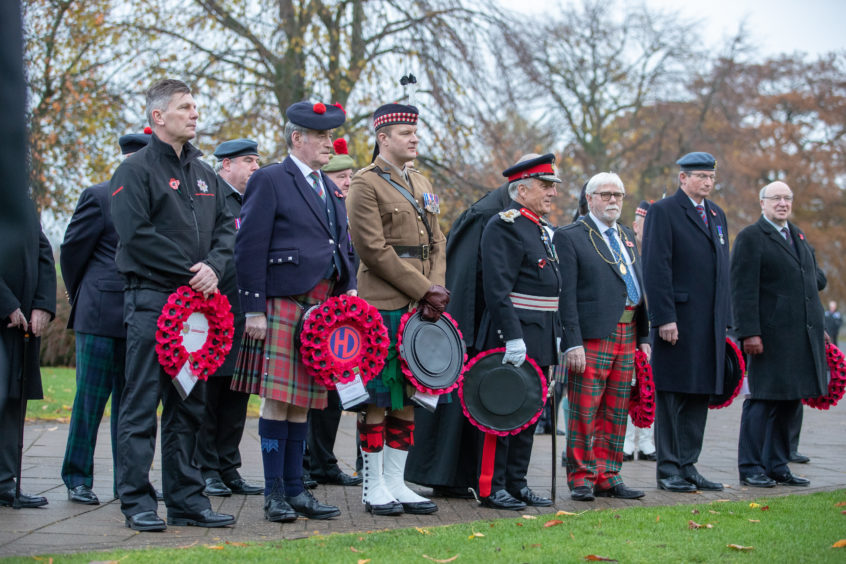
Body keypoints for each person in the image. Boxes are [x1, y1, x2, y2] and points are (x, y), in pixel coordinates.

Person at [110, 79, 236, 531]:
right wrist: (192, 270)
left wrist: (215, 269)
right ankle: (138, 501)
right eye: (185, 107)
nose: (194, 113)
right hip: (152, 301)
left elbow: (227, 228)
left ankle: (187, 500)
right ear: (158, 117)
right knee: (142, 403)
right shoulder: (135, 170)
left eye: (195, 106)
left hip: (200, 308)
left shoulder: (205, 174)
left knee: (190, 404)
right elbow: (136, 235)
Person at [232, 101, 354, 523]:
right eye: (320, 136)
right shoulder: (270, 179)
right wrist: (253, 310)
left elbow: (342, 246)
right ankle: (274, 494)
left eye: (330, 136)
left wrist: (349, 289)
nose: (329, 143)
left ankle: (298, 491)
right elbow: (248, 247)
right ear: (296, 138)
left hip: (319, 310)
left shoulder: (331, 189)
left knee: (302, 403)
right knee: (277, 403)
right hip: (280, 305)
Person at [346, 103, 446, 516]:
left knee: (408, 395)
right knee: (378, 396)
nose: (414, 138)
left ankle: (396, 482)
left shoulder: (421, 180)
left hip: (419, 306)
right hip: (384, 303)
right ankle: (373, 487)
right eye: (405, 132)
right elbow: (373, 249)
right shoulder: (364, 183)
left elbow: (437, 241)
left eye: (415, 132)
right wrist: (425, 288)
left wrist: (436, 286)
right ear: (383, 138)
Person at [59, 130, 150, 505]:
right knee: (89, 403)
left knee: (131, 407)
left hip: (138, 317)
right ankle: (77, 477)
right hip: (98, 317)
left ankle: (125, 483)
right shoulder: (99, 195)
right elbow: (72, 250)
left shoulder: (154, 200)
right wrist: (80, 292)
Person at [404, 180, 511, 499]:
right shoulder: (484, 214)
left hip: (494, 326)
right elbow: (462, 275)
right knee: (451, 412)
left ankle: (461, 475)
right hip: (470, 327)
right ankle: (443, 474)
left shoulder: (513, 214)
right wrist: (461, 332)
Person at [474, 153, 562, 511]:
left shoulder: (538, 227)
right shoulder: (505, 224)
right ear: (521, 189)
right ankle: (490, 486)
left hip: (540, 334)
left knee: (527, 412)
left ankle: (517, 482)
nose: (552, 193)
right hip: (513, 334)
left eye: (552, 186)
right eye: (545, 186)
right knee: (501, 410)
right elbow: (498, 289)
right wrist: (512, 335)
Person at [553, 172, 649, 502]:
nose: (612, 201)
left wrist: (644, 336)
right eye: (605, 194)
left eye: (618, 195)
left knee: (617, 408)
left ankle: (609, 474)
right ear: (590, 198)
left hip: (628, 330)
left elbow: (637, 283)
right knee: (584, 409)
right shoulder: (571, 235)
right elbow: (565, 296)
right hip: (592, 335)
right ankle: (581, 477)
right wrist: (572, 342)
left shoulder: (625, 235)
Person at [641, 151, 730, 493]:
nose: (707, 182)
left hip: (708, 324)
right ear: (683, 178)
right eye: (700, 176)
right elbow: (656, 267)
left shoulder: (717, 214)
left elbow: (723, 270)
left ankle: (689, 464)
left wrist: (726, 321)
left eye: (711, 177)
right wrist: (664, 317)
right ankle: (669, 469)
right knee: (673, 396)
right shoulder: (663, 211)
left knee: (699, 394)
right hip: (676, 321)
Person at [732, 181, 826, 488]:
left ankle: (777, 464)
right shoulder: (751, 237)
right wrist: (749, 333)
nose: (782, 203)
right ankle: (751, 467)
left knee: (790, 402)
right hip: (767, 338)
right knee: (762, 401)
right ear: (762, 203)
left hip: (800, 338)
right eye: (776, 198)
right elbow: (742, 289)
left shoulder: (797, 235)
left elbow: (813, 281)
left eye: (787, 198)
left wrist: (819, 329)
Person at [194, 139, 263, 498]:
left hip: (244, 312)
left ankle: (228, 466)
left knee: (238, 393)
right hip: (211, 312)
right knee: (210, 394)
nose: (255, 166)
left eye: (257, 160)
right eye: (248, 161)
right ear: (225, 166)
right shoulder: (209, 198)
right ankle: (206, 469)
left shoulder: (254, 201)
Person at [301, 137, 363, 488]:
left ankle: (322, 462)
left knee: (336, 394)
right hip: (318, 312)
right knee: (314, 394)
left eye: (350, 177)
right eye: (342, 177)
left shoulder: (346, 213)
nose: (348, 183)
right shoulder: (323, 211)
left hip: (344, 315)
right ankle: (308, 462)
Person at [0, 210, 55, 508]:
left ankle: (5, 482)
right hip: (8, 312)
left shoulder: (22, 204)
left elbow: (44, 254)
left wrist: (43, 305)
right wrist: (7, 304)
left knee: (12, 401)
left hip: (20, 323)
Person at [622, 199, 656, 462]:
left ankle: (646, 441)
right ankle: (625, 442)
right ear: (636, 226)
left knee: (648, 387)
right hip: (634, 327)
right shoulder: (628, 252)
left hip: (656, 329)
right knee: (630, 385)